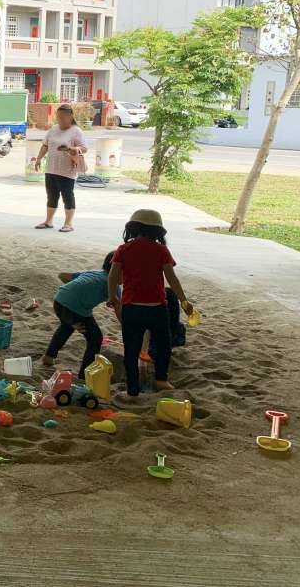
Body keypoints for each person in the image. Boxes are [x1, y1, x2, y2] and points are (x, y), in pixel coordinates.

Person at [106, 209, 194, 397]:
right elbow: (172, 279)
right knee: (164, 345)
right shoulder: (161, 250)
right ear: (158, 231)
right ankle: (161, 379)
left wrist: (112, 296)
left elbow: (112, 276)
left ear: (132, 228)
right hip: (157, 308)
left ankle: (132, 387)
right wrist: (184, 301)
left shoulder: (123, 249)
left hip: (131, 308)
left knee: (131, 349)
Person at [42, 251, 119, 377]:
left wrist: (78, 291)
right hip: (75, 310)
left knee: (67, 327)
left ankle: (49, 357)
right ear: (118, 271)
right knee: (95, 338)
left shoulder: (93, 272)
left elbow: (62, 276)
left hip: (59, 301)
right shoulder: (114, 286)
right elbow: (119, 311)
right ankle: (84, 374)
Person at [34, 104, 87, 233]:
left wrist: (70, 149)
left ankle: (68, 223)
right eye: (58, 116)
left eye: (63, 117)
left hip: (67, 171)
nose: (60, 119)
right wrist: (39, 158)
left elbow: (84, 148)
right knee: (51, 196)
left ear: (70, 117)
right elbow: (45, 146)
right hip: (51, 168)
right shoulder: (53, 129)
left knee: (67, 196)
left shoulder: (76, 131)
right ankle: (48, 221)